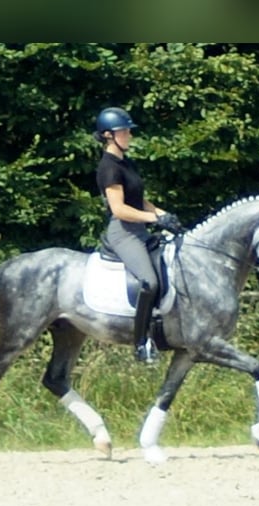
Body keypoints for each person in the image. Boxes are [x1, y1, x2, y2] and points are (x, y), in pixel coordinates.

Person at [93, 106, 183, 363]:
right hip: (123, 233)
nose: (129, 135)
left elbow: (140, 200)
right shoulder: (108, 168)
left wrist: (165, 215)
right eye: (125, 131)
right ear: (109, 135)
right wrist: (155, 219)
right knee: (149, 282)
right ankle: (141, 342)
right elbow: (120, 209)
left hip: (140, 229)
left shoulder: (125, 162)